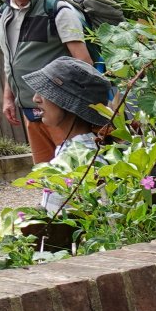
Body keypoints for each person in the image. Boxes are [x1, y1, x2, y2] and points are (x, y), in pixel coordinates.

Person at [0, 0, 93, 165]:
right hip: (31, 111)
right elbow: (10, 59)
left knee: (78, 176)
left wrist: (79, 109)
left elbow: (84, 63)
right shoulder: (5, 14)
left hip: (63, 114)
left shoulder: (57, 9)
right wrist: (8, 98)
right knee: (46, 178)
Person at [23, 55, 111, 216]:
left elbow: (52, 222)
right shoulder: (98, 148)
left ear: (69, 103)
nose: (36, 98)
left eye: (45, 92)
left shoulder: (71, 161)